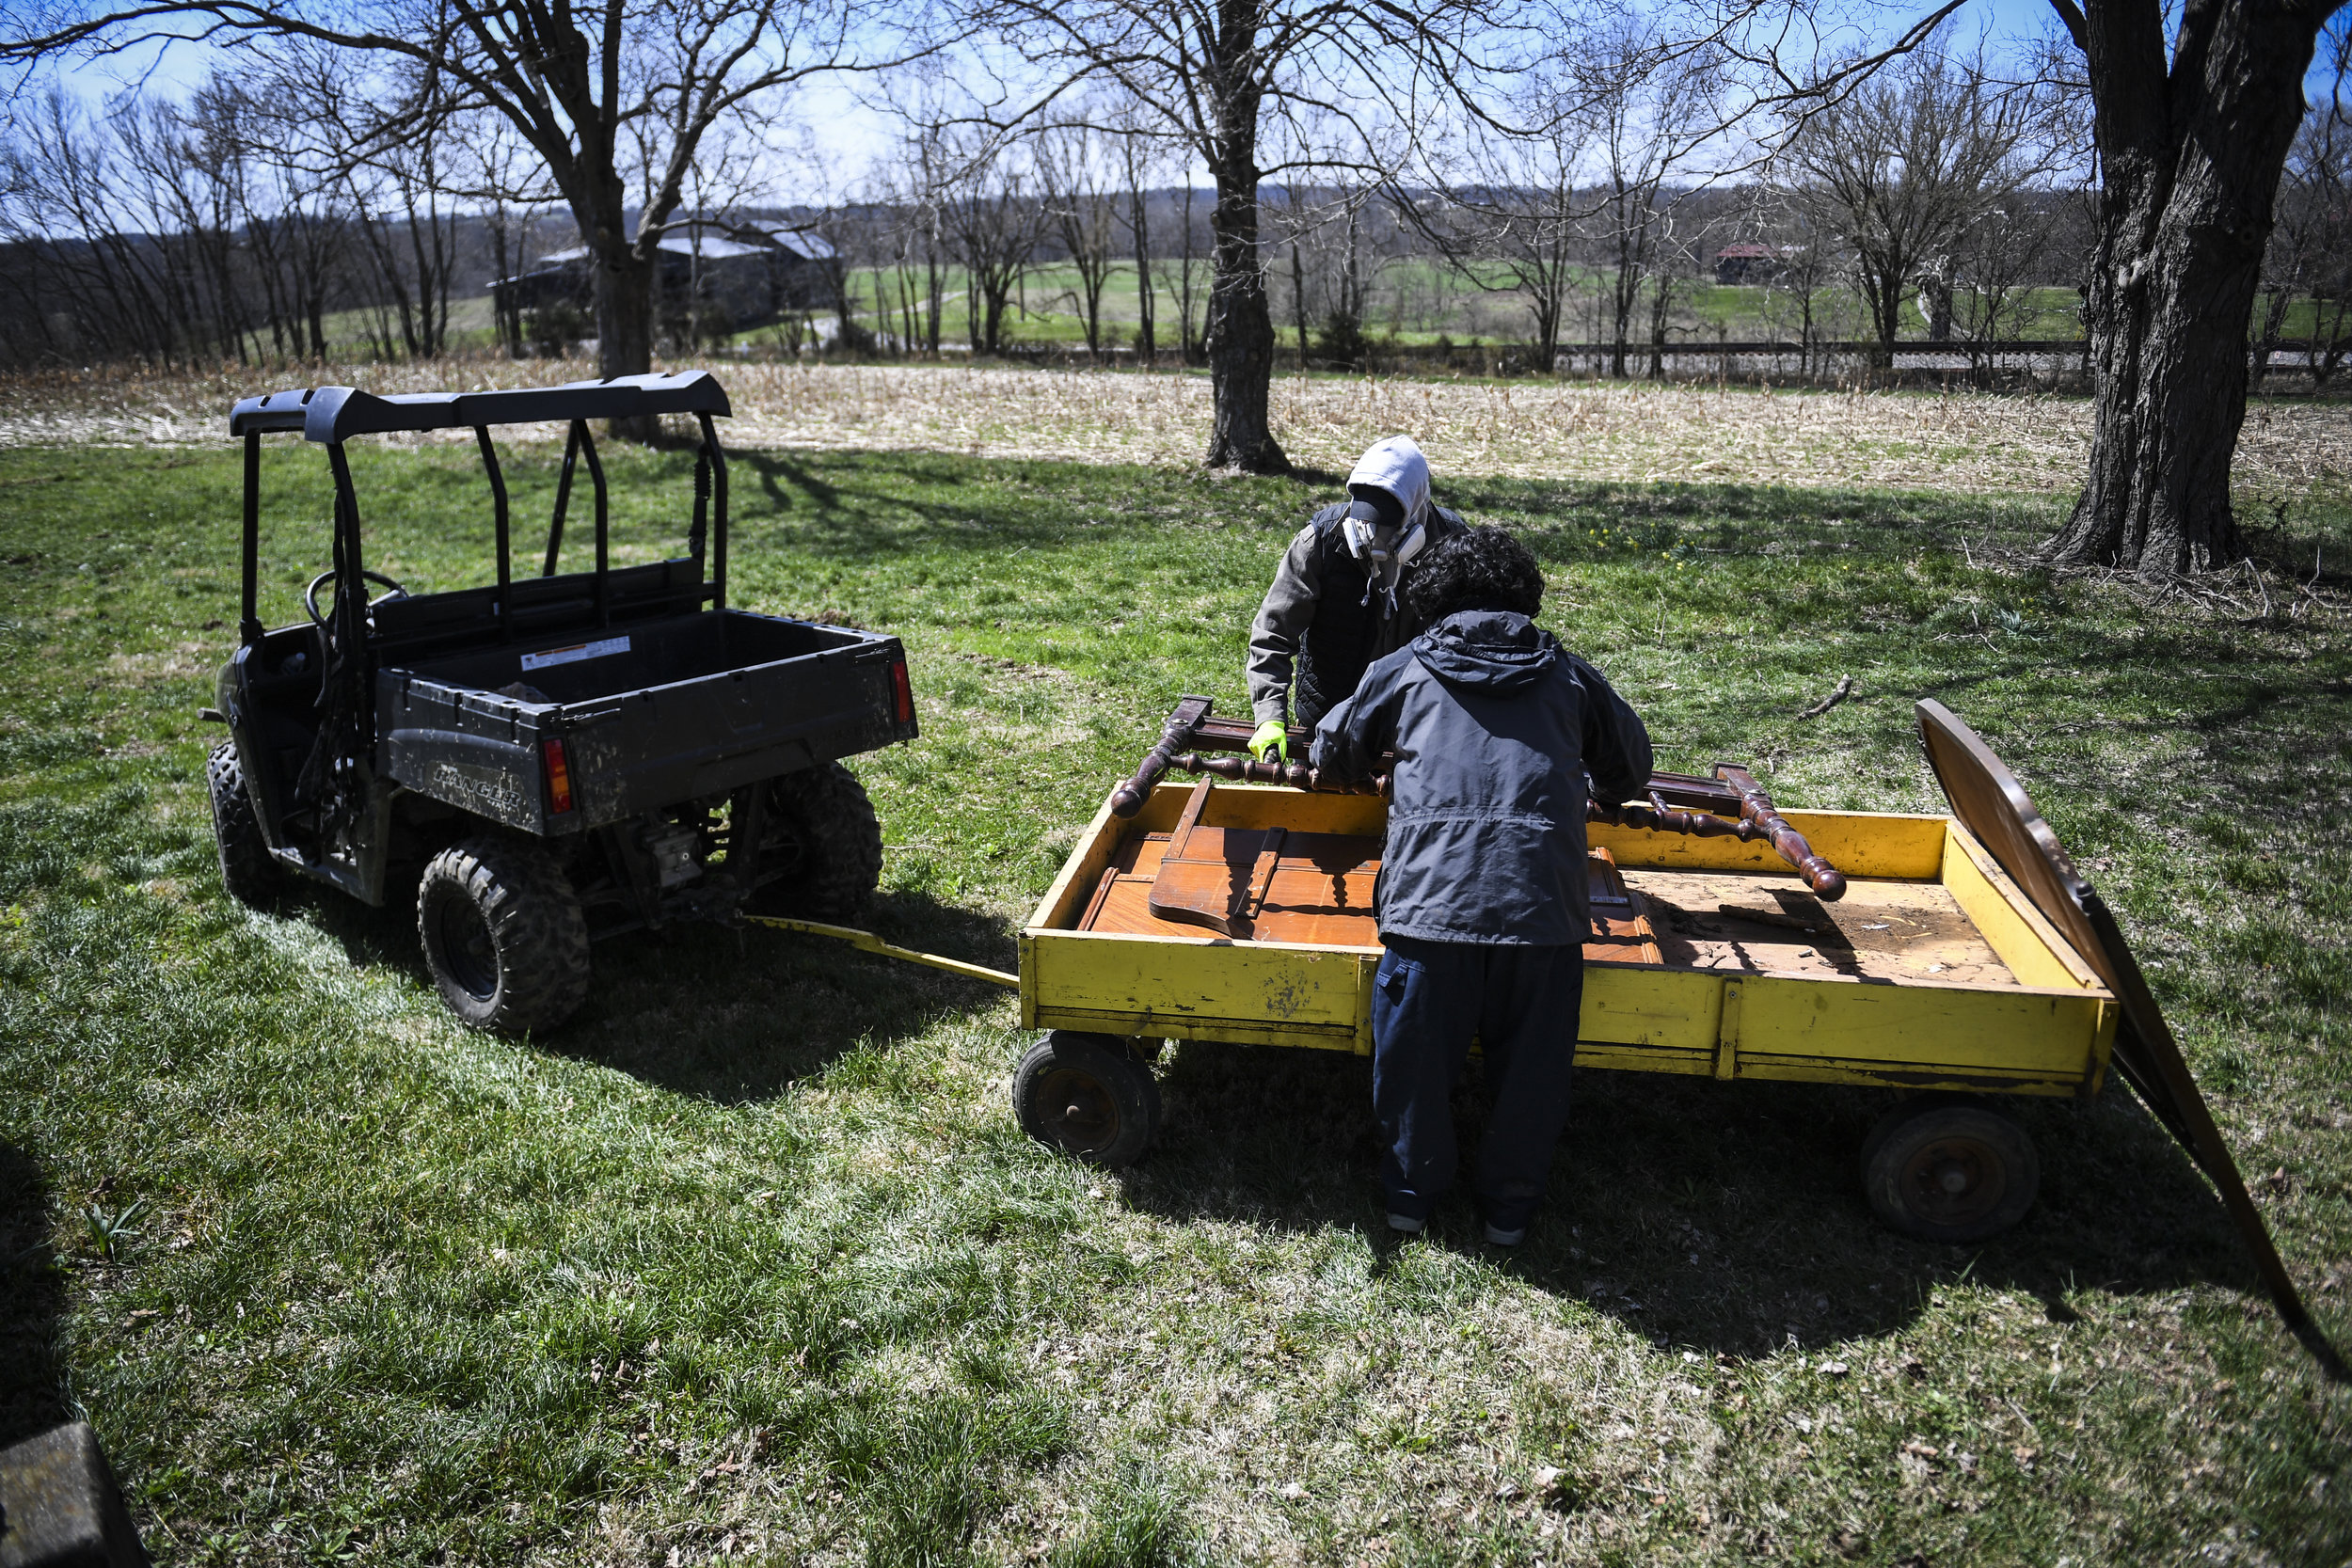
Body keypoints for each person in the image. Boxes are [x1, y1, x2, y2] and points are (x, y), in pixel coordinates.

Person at [1311, 526, 1652, 1245]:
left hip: (1429, 914)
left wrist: (1371, 758)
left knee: (1413, 1068)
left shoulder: (1403, 668)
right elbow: (1631, 767)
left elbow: (1334, 749)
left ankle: (1411, 1197)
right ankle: (1510, 1212)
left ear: (1434, 601)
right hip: (1544, 917)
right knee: (1532, 1074)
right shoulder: (1570, 676)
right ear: (1524, 597)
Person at [1244, 435, 1469, 763]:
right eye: (1365, 521)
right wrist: (1269, 716)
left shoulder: (1453, 544)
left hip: (1420, 726)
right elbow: (1273, 634)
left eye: (1387, 525)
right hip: (1327, 719)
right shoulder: (1319, 542)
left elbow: (1473, 639)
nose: (1373, 535)